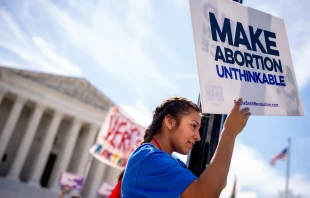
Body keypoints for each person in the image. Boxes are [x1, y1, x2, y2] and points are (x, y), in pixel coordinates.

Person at [112, 97, 250, 198]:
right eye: (193, 126)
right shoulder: (149, 157)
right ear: (170, 121)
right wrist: (229, 133)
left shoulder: (173, 163)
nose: (198, 137)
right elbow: (204, 194)